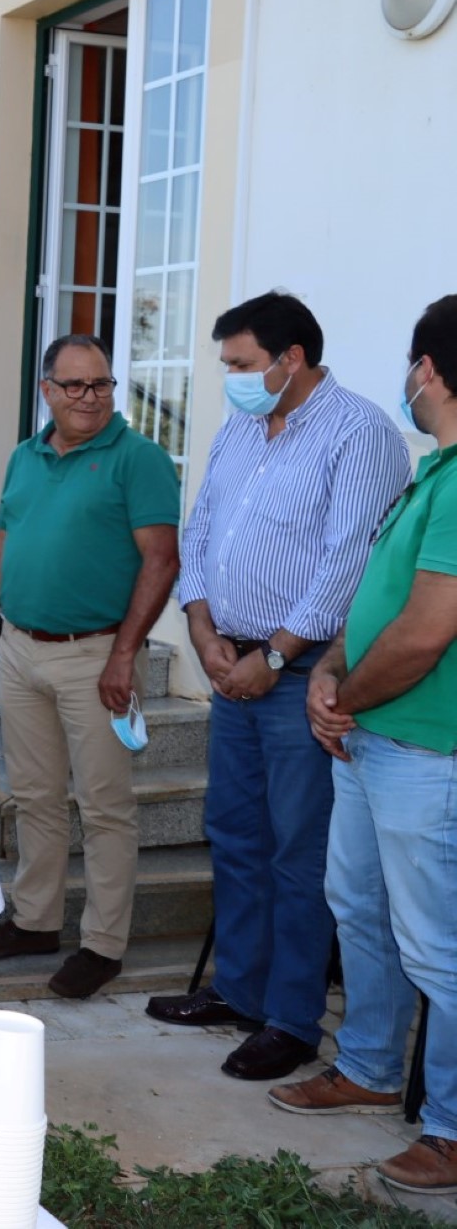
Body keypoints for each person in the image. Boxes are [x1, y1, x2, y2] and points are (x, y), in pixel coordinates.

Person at [151, 293, 409, 1081]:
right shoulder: (240, 427)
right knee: (235, 833)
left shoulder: (358, 432)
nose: (229, 377)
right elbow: (199, 533)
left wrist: (276, 652)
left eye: (239, 363)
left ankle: (293, 1018)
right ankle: (240, 988)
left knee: (300, 853)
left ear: (289, 358)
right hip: (231, 665)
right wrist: (201, 630)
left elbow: (349, 563)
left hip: (299, 675)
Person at [269, 295, 457, 1195]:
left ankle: (453, 1129)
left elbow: (425, 633)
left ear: (428, 371)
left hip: (424, 749)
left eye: (412, 366)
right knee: (359, 907)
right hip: (369, 737)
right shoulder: (432, 472)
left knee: (437, 944)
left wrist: (342, 693)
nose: (408, 381)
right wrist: (330, 671)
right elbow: (376, 604)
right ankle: (373, 1065)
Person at [0, 335, 181, 1000]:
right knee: (35, 795)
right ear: (47, 390)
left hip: (97, 654)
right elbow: (2, 545)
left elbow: (161, 560)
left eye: (103, 384)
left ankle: (103, 943)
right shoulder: (26, 456)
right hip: (22, 647)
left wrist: (123, 654)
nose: (92, 397)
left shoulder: (137, 459)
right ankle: (35, 918)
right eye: (76, 385)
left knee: (106, 805)